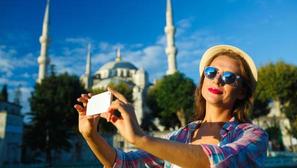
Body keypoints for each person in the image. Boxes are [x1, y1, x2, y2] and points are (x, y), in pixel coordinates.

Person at [74, 44, 268, 168]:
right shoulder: (180, 135)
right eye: (211, 72)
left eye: (229, 77)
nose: (217, 80)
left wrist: (141, 138)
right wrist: (91, 135)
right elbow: (124, 163)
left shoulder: (252, 136)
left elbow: (220, 161)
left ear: (242, 91)